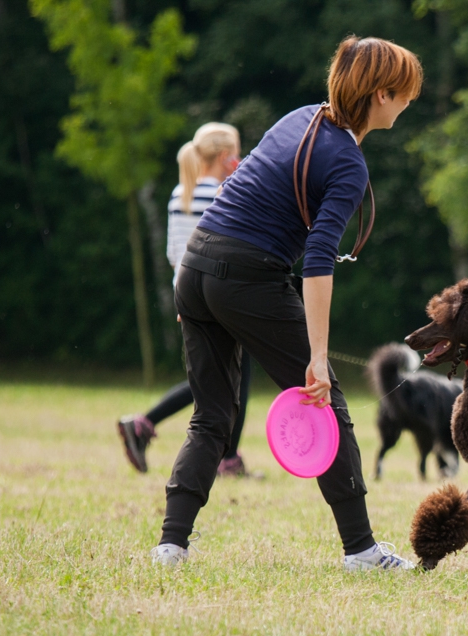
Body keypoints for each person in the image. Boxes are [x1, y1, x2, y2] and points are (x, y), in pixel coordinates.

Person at [150, 36, 423, 571]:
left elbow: (235, 193)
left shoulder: (300, 117)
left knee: (211, 414)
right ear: (382, 94)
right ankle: (362, 551)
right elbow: (318, 259)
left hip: (196, 266)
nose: (410, 102)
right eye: (407, 92)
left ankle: (170, 546)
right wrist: (317, 357)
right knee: (327, 404)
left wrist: (194, 284)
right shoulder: (348, 162)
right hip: (245, 277)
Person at [118, 123, 251, 477]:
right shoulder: (224, 192)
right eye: (237, 154)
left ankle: (145, 424)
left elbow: (173, 252)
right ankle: (228, 459)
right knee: (234, 376)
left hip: (188, 295)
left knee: (210, 376)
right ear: (226, 157)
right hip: (220, 294)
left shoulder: (180, 194)